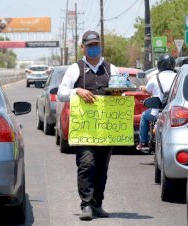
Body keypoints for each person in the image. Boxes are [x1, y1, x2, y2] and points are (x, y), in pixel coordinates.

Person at [57, 30, 119, 221]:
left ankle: (98, 205)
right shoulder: (75, 69)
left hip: (106, 128)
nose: (94, 48)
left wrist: (118, 93)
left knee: (102, 167)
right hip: (84, 129)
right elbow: (61, 93)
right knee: (86, 165)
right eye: (90, 45)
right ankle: (86, 205)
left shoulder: (111, 69)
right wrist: (77, 91)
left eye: (96, 44)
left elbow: (121, 92)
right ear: (82, 47)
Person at [136, 54, 177, 153]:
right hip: (174, 111)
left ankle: (143, 143)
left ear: (159, 65)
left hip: (157, 111)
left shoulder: (155, 78)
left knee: (144, 116)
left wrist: (142, 88)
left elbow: (147, 89)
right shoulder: (178, 76)